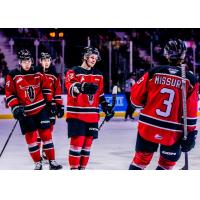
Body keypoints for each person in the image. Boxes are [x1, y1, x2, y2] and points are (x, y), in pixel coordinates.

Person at [129, 39, 199, 170]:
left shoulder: (153, 72)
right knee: (166, 164)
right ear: (183, 55)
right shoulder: (191, 80)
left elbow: (135, 100)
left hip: (148, 127)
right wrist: (190, 134)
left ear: (166, 54)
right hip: (173, 131)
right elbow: (190, 112)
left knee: (140, 160)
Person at [5, 49, 62, 170]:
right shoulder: (12, 75)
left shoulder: (38, 71)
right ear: (20, 62)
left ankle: (52, 161)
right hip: (25, 112)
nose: (27, 64)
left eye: (28, 61)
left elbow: (46, 87)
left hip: (41, 109)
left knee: (46, 136)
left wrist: (51, 104)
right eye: (24, 61)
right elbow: (10, 93)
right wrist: (15, 108)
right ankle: (37, 162)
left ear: (31, 61)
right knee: (31, 139)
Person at [65, 47, 115, 170]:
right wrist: (82, 87)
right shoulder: (73, 71)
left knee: (87, 146)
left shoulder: (98, 74)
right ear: (85, 57)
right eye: (92, 57)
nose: (94, 60)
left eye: (95, 58)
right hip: (76, 115)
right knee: (77, 145)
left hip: (92, 116)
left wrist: (106, 107)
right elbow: (71, 88)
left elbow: (100, 94)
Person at [37, 52, 64, 165]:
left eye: (48, 60)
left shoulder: (54, 75)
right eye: (44, 60)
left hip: (50, 107)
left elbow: (57, 92)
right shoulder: (35, 74)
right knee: (38, 133)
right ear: (40, 61)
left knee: (48, 131)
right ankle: (37, 154)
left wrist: (59, 105)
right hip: (38, 107)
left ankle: (44, 151)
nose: (46, 62)